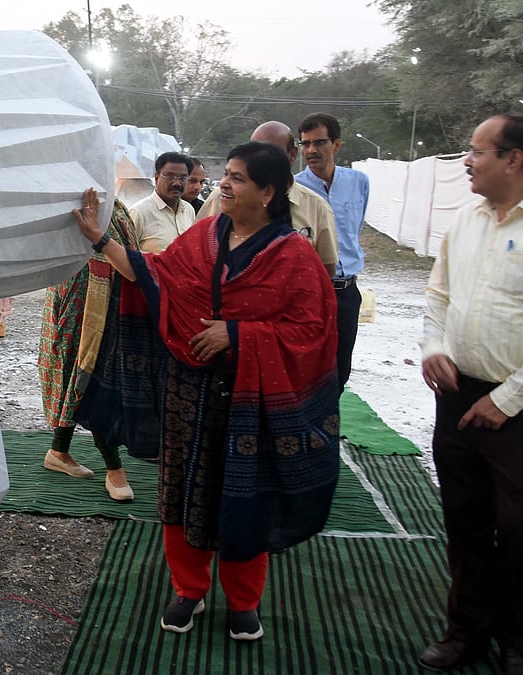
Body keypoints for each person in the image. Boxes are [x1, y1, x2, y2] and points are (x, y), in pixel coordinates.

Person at [74, 142, 340, 642]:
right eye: (226, 175)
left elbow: (313, 332)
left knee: (245, 496)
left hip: (251, 403)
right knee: (181, 491)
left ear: (267, 191)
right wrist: (100, 241)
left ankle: (244, 601)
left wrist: (237, 334)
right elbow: (155, 275)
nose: (223, 184)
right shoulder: (204, 237)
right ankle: (188, 589)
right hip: (187, 392)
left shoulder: (294, 256)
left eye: (237, 178)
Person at [418, 112, 523, 675]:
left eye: (476, 151)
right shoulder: (466, 220)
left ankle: (516, 637)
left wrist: (507, 399)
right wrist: (432, 348)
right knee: (465, 519)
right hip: (458, 396)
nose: (466, 161)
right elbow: (437, 294)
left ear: (513, 159)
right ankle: (465, 629)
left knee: (520, 528)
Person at [38, 199, 150, 501]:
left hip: (114, 301)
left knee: (88, 375)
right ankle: (114, 470)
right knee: (88, 376)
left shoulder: (117, 205)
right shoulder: (75, 201)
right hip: (78, 301)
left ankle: (58, 451)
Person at [198, 121, 338, 276]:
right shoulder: (221, 198)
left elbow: (325, 270)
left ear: (292, 154)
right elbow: (195, 254)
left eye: (268, 153)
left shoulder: (316, 207)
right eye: (252, 152)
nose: (257, 160)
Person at [295, 113, 369, 392]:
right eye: (305, 144)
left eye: (319, 143)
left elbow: (354, 229)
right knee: (307, 366)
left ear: (336, 145)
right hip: (310, 293)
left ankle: (329, 429)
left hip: (346, 292)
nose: (311, 151)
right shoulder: (294, 187)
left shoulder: (359, 182)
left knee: (341, 369)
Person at [128, 152, 197, 253]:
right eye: (170, 177)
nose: (177, 183)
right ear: (156, 178)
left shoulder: (188, 210)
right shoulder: (139, 213)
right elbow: (126, 256)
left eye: (182, 178)